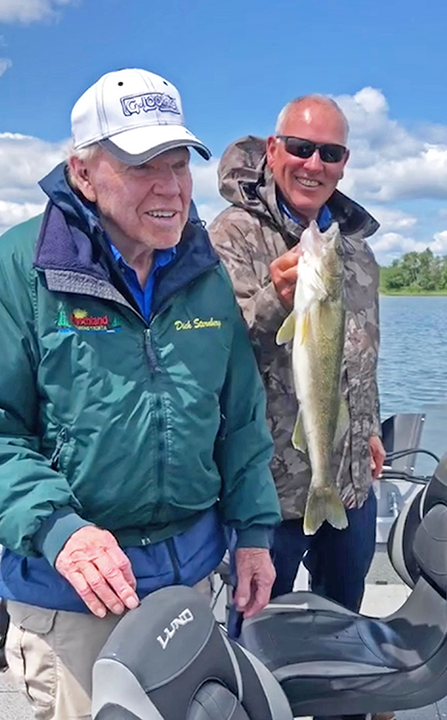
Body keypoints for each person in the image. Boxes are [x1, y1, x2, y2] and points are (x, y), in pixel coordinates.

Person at [0, 68, 280, 720]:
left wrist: (255, 532)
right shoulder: (19, 271)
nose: (170, 186)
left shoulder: (205, 274)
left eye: (178, 162)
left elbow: (240, 416)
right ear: (82, 174)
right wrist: (59, 530)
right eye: (139, 164)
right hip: (74, 599)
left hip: (193, 579)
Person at [210, 95, 390, 720]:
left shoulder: (356, 251)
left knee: (342, 621)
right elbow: (210, 347)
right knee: (257, 637)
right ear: (273, 149)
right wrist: (273, 301)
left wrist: (366, 429)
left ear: (343, 164)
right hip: (265, 492)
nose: (314, 163)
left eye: (331, 153)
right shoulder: (230, 234)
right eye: (302, 147)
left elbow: (357, 355)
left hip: (348, 483)